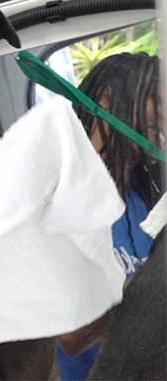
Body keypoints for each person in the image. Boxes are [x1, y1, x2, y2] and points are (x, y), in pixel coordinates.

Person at [56, 52, 164, 380]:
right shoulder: (57, 205)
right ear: (108, 98)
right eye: (156, 100)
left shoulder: (138, 200)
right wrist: (150, 286)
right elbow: (71, 337)